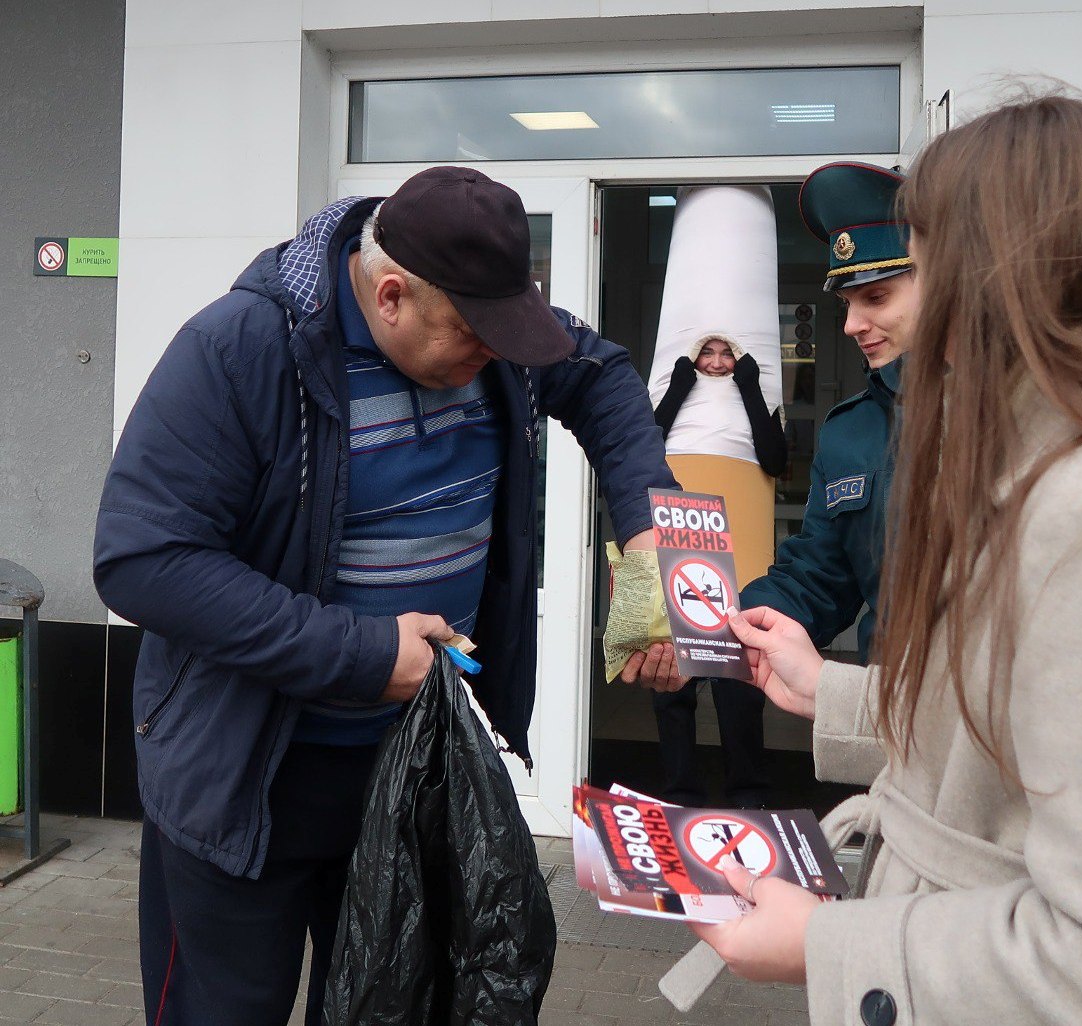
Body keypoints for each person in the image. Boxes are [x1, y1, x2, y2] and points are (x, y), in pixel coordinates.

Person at [687, 96, 1082, 1025]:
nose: (888, 312)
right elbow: (1025, 723)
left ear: (1006, 267)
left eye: (920, 266)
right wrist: (831, 691)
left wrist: (827, 947)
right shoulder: (1068, 453)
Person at [93, 166, 679, 1026]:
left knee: (389, 1004)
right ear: (392, 294)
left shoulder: (492, 332)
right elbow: (142, 559)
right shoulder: (241, 348)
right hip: (245, 775)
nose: (495, 355)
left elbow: (601, 376)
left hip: (409, 772)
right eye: (472, 337)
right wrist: (363, 653)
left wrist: (648, 530)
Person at [739, 161, 917, 666]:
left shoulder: (1016, 410)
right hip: (883, 716)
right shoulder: (850, 431)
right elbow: (819, 577)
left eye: (876, 296)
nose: (852, 325)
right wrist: (719, 629)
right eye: (846, 304)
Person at [646, 185, 788, 808]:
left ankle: (748, 789)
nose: (719, 359)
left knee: (736, 676)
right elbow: (648, 445)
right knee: (674, 678)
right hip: (680, 529)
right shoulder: (677, 385)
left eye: (727, 350)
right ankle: (678, 787)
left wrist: (753, 390)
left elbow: (776, 458)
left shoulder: (752, 388)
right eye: (709, 349)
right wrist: (679, 387)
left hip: (741, 535)